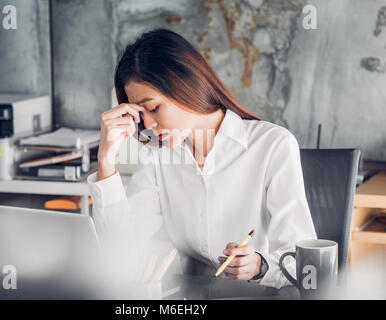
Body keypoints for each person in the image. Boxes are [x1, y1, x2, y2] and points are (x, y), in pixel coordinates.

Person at [87, 28, 317, 289]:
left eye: (153, 108)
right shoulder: (157, 154)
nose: (148, 124)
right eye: (141, 114)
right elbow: (123, 252)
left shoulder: (272, 145)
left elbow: (304, 263)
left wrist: (260, 266)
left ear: (185, 84)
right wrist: (106, 161)